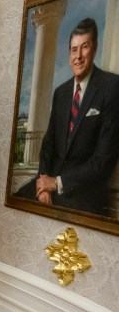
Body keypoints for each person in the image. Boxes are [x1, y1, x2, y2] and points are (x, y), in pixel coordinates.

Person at [35, 18, 119, 215]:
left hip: (84, 191)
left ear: (95, 49)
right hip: (51, 182)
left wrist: (56, 183)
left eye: (84, 47)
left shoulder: (112, 87)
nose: (78, 56)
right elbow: (48, 145)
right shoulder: (61, 92)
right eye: (74, 50)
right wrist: (43, 181)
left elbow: (103, 160)